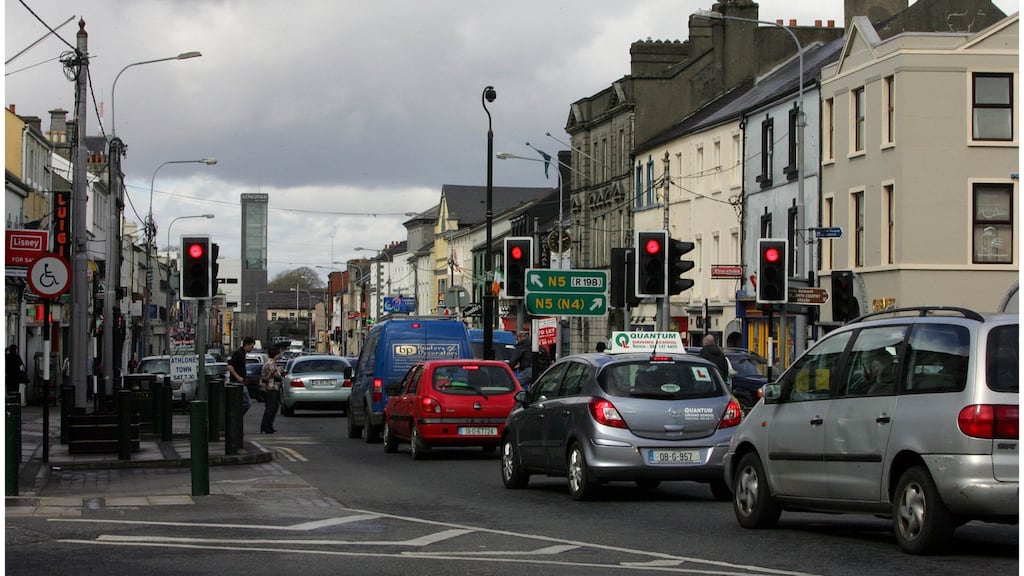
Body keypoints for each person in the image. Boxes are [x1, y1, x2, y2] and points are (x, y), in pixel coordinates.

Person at [227, 337, 256, 416]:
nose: (252, 348)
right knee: (247, 402)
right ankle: (236, 416)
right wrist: (238, 377)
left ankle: (236, 416)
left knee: (239, 401)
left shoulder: (242, 354)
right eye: (251, 346)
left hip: (240, 382)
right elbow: (230, 366)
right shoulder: (239, 354)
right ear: (246, 345)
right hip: (237, 382)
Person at [260, 346, 284, 434]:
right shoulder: (270, 364)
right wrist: (278, 372)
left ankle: (269, 425)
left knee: (274, 407)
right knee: (270, 408)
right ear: (275, 355)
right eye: (278, 354)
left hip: (274, 387)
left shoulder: (272, 363)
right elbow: (275, 375)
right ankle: (265, 426)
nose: (279, 356)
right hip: (270, 387)